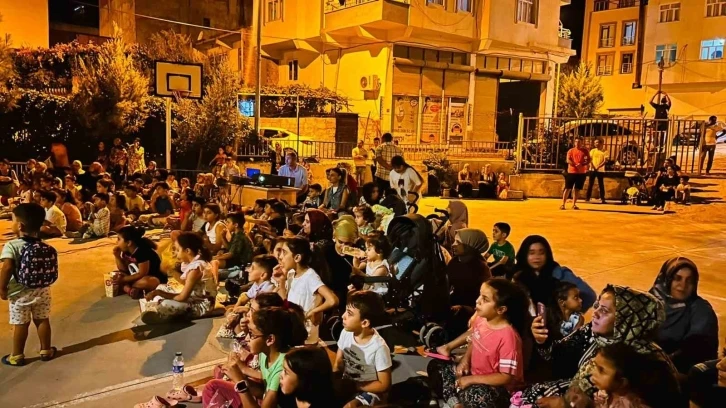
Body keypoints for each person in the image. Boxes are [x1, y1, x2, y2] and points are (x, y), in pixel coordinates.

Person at [521, 285, 679, 407]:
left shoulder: (643, 359)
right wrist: (542, 339)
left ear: (626, 319)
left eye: (604, 310)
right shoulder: (592, 332)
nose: (595, 313)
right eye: (597, 306)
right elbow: (557, 355)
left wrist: (566, 404)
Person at [428, 279, 529, 408]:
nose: (477, 300)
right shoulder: (482, 319)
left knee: (478, 396)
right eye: (480, 295)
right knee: (436, 366)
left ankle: (454, 397)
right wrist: (465, 361)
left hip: (498, 388)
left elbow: (505, 377)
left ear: (501, 309)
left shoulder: (509, 338)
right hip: (474, 375)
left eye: (485, 299)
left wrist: (471, 380)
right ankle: (456, 402)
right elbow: (474, 339)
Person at [205, 306, 307, 408]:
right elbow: (263, 390)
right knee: (214, 383)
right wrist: (240, 376)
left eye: (252, 334)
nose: (247, 339)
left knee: (214, 385)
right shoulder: (265, 354)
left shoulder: (282, 368)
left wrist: (240, 382)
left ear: (270, 339)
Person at [0, 203, 58, 366]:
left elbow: (7, 268)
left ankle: (17, 355)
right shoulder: (44, 245)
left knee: (21, 324)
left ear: (20, 225)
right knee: (42, 320)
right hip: (42, 291)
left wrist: (2, 288)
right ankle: (46, 350)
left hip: (19, 294)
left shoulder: (12, 245)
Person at [648, 257, 719, 374]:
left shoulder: (701, 310)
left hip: (681, 374)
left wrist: (662, 364)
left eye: (689, 281)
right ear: (667, 279)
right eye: (677, 278)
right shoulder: (650, 303)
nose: (683, 285)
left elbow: (697, 350)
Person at [273, 237, 339, 344]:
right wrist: (281, 281)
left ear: (297, 257)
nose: (280, 257)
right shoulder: (291, 274)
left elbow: (332, 300)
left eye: (284, 253)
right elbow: (285, 302)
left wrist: (314, 311)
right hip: (294, 330)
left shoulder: (310, 276)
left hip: (306, 335)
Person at [141, 232, 217, 324]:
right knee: (162, 287)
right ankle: (158, 309)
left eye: (177, 250)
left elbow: (182, 297)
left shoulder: (196, 269)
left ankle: (162, 314)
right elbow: (187, 284)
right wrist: (171, 272)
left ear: (187, 251)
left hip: (201, 306)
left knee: (165, 303)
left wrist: (158, 293)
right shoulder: (196, 263)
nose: (175, 253)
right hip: (194, 298)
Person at [335, 291, 392, 407]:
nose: (343, 316)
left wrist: (356, 386)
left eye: (349, 313)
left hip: (370, 391)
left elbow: (384, 384)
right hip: (348, 384)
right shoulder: (345, 332)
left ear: (364, 322)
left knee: (350, 406)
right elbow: (338, 363)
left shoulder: (379, 347)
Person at [513, 235, 596, 312]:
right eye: (532, 253)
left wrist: (570, 315)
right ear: (524, 255)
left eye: (541, 253)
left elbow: (589, 295)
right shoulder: (515, 275)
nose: (537, 257)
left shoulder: (558, 273)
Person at [589, 343, 681, 408]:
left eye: (601, 370)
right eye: (595, 366)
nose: (593, 372)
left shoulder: (634, 404)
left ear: (622, 382)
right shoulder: (608, 392)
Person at [446, 229, 491, 337]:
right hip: (454, 303)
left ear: (470, 245)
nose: (453, 245)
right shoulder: (455, 262)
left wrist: (465, 308)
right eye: (454, 241)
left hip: (471, 309)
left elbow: (484, 297)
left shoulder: (481, 268)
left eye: (458, 242)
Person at [113, 226, 166, 299]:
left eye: (119, 239)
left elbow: (142, 273)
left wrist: (124, 280)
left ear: (128, 243)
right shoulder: (126, 251)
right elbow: (123, 270)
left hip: (150, 277)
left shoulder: (142, 252)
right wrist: (117, 256)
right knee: (115, 276)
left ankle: (127, 288)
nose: (116, 242)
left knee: (150, 281)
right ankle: (131, 289)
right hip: (135, 277)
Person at [562, 137, 590, 210]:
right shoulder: (571, 151)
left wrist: (582, 164)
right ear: (574, 143)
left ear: (582, 143)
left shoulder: (585, 151)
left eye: (579, 142)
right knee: (568, 188)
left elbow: (588, 160)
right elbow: (568, 160)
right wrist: (575, 165)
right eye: (576, 142)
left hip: (581, 173)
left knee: (577, 189)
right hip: (571, 172)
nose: (577, 143)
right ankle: (563, 204)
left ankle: (574, 204)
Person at [587, 138, 607, 204]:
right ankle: (587, 197)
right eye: (595, 143)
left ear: (601, 143)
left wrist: (598, 166)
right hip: (592, 169)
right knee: (590, 184)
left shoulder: (604, 151)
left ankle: (602, 198)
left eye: (597, 142)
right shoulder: (592, 151)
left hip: (600, 170)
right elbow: (590, 159)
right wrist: (592, 166)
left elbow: (605, 161)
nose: (596, 144)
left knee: (601, 184)